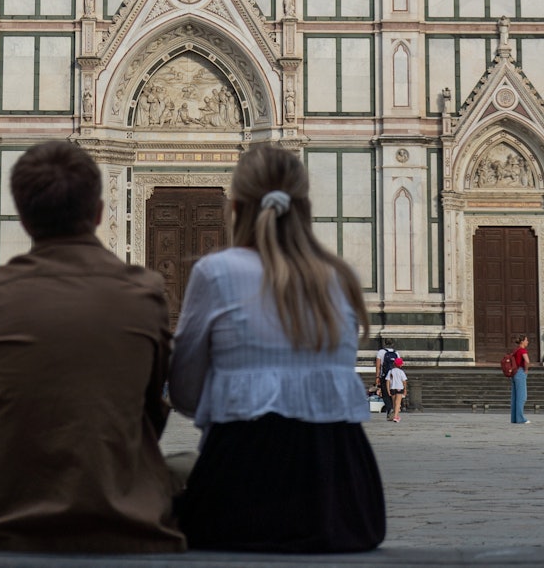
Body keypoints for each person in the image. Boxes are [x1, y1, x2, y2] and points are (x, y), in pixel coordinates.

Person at [0, 140, 183, 554]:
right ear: (99, 212)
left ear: (22, 218)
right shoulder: (146, 293)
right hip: (119, 513)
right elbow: (152, 412)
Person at [169, 144, 385, 553]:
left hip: (240, 495)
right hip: (346, 507)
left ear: (234, 207)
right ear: (305, 207)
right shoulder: (342, 277)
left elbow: (184, 392)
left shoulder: (216, 272)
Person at [376, 338, 399, 419]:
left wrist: (377, 376)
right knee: (393, 393)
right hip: (394, 375)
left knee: (385, 393)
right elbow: (399, 365)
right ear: (393, 343)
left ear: (385, 343)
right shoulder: (396, 353)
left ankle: (389, 408)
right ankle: (394, 409)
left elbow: (378, 366)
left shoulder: (381, 352)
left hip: (385, 376)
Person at [510, 334, 530, 424]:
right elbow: (527, 361)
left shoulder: (515, 350)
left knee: (515, 397)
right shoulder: (522, 350)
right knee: (522, 397)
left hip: (514, 374)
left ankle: (514, 418)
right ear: (522, 342)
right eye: (526, 340)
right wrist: (526, 370)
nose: (527, 342)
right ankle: (521, 418)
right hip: (520, 372)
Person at [387, 357, 407, 423]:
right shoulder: (401, 372)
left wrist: (388, 390)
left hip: (392, 388)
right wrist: (405, 389)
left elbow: (388, 381)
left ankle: (396, 415)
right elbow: (404, 381)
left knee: (394, 403)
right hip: (399, 388)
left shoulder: (390, 371)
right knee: (398, 403)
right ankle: (395, 417)